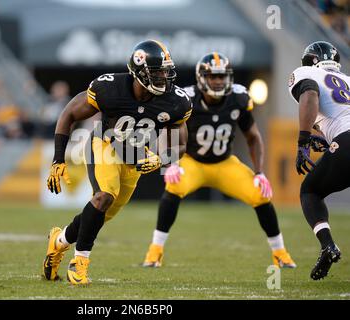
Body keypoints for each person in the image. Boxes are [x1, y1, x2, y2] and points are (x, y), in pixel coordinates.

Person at [43, 40, 192, 285]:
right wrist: (58, 159)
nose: (164, 77)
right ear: (139, 72)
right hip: (106, 145)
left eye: (166, 71)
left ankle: (58, 242)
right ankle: (79, 264)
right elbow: (69, 113)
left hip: (136, 157)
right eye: (157, 72)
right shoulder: (110, 88)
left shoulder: (175, 101)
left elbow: (181, 145)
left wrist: (160, 159)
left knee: (101, 214)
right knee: (104, 196)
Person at [143, 52, 296, 270]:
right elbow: (168, 131)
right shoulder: (187, 99)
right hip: (192, 162)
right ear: (201, 78)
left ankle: (280, 253)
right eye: (212, 76)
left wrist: (259, 171)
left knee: (260, 194)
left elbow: (253, 137)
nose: (217, 81)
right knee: (173, 186)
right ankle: (155, 251)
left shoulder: (238, 98)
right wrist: (170, 163)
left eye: (221, 76)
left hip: (225, 163)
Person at [288, 41, 349, 280]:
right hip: (344, 139)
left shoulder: (306, 73)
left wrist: (303, 141)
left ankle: (328, 246)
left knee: (310, 190)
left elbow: (310, 93)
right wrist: (329, 140)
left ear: (310, 61)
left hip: (346, 140)